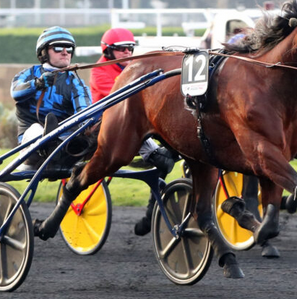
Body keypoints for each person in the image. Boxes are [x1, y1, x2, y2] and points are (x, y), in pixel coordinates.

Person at [91, 27, 175, 236]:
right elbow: (123, 98)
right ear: (108, 51)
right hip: (115, 128)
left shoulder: (134, 69)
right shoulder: (100, 71)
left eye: (129, 48)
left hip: (137, 125)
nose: (127, 52)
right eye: (121, 49)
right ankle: (153, 210)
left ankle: (151, 212)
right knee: (163, 160)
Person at [11, 26, 92, 169]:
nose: (65, 52)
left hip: (64, 142)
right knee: (36, 129)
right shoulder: (28, 74)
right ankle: (48, 144)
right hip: (31, 141)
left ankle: (57, 146)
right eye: (58, 48)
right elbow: (15, 92)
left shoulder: (75, 82)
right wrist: (38, 83)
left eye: (69, 48)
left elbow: (84, 110)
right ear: (44, 52)